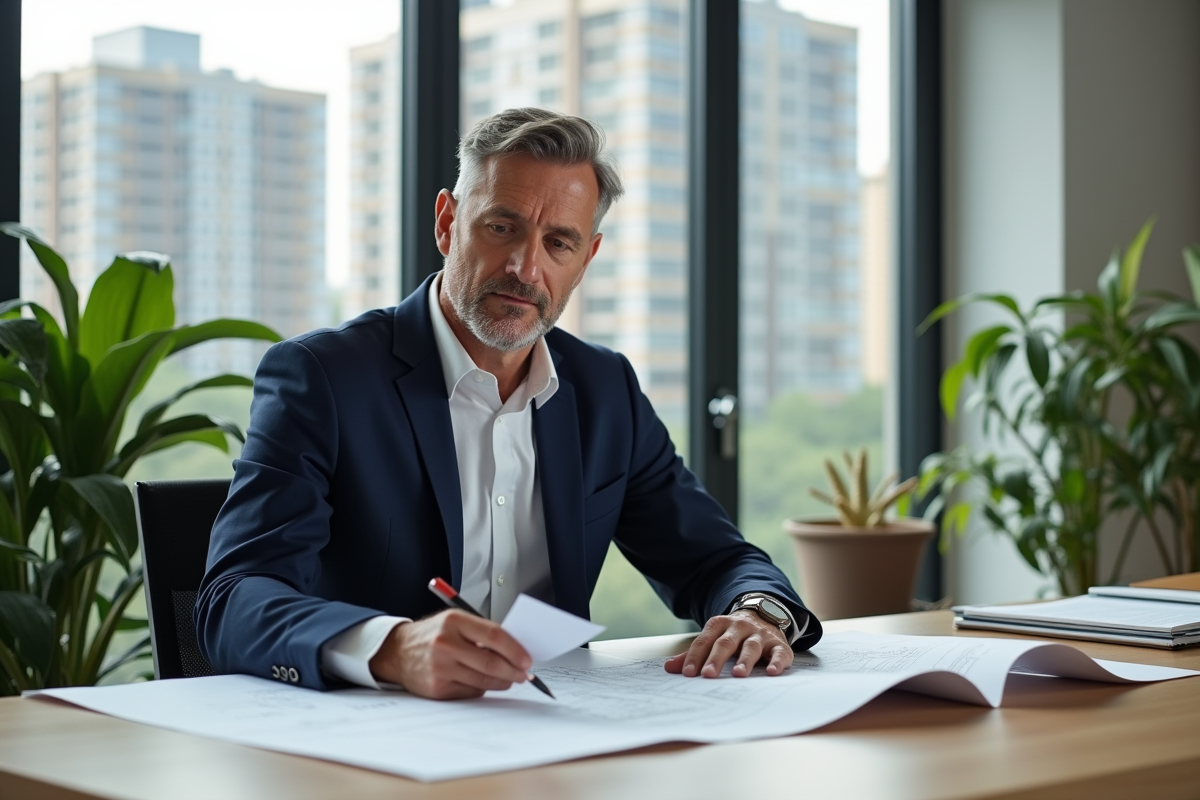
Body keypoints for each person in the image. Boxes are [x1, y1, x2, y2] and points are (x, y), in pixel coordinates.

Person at [196, 107, 822, 699]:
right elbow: (234, 599)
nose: (526, 268)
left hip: (553, 736)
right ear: (447, 221)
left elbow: (717, 559)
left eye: (559, 243)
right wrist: (392, 647)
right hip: (371, 744)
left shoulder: (605, 391)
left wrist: (757, 614)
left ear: (586, 259)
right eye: (503, 228)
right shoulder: (323, 377)